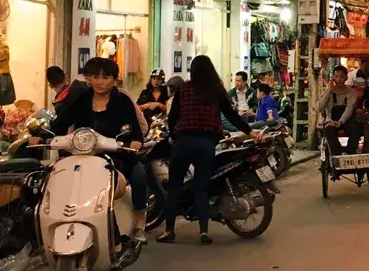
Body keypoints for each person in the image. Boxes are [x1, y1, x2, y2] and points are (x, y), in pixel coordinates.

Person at [159, 56, 259, 245]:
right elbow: (231, 115)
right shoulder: (216, 90)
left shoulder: (183, 89)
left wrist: (173, 134)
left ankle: (169, 231)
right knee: (201, 188)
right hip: (206, 144)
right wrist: (250, 132)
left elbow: (173, 117)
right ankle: (204, 232)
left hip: (184, 141)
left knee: (174, 187)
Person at [49, 57, 147, 242]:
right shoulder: (82, 100)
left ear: (114, 79)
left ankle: (139, 219)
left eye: (105, 77)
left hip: (116, 156)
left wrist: (135, 141)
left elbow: (135, 128)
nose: (99, 82)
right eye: (95, 77)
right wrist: (44, 134)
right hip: (83, 156)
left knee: (139, 173)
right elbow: (62, 121)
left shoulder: (122, 101)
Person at [318, 65, 361, 155]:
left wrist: (340, 122)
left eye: (341, 76)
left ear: (346, 78)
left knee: (355, 128)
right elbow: (320, 107)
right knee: (328, 131)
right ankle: (337, 154)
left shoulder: (352, 92)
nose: (339, 79)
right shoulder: (329, 91)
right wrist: (328, 91)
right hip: (331, 119)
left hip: (347, 119)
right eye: (336, 76)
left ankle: (349, 152)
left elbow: (349, 108)